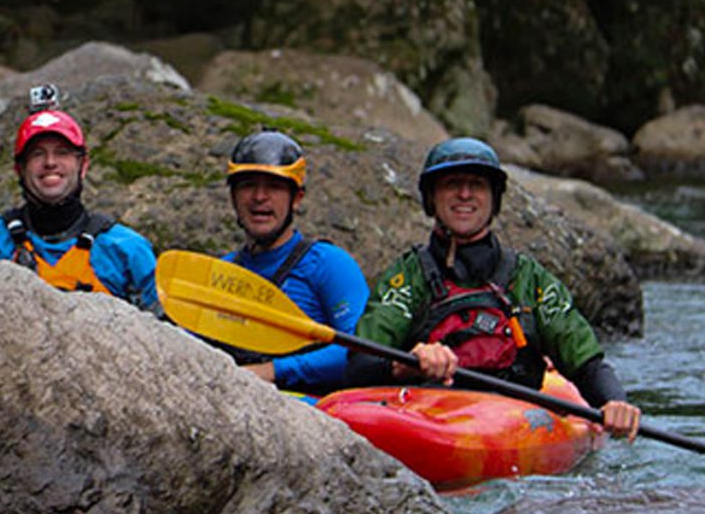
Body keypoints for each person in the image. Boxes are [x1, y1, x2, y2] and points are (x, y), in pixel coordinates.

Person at [344, 137, 642, 441]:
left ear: (494, 198)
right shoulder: (407, 277)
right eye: (452, 184)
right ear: (432, 198)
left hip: (512, 418)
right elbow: (359, 366)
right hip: (428, 414)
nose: (464, 194)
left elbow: (587, 365)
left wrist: (614, 401)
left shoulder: (530, 279)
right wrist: (403, 365)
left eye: (476, 184)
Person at [0, 87, 160, 315]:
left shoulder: (127, 249)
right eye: (37, 154)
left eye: (62, 152)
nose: (50, 162)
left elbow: (168, 332)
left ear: (83, 166)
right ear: (19, 169)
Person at [216, 130, 370, 395]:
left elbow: (361, 351)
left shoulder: (329, 264)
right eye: (248, 185)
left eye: (274, 186)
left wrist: (272, 371)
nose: (259, 197)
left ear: (296, 198)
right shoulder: (221, 273)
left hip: (310, 414)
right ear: (233, 197)